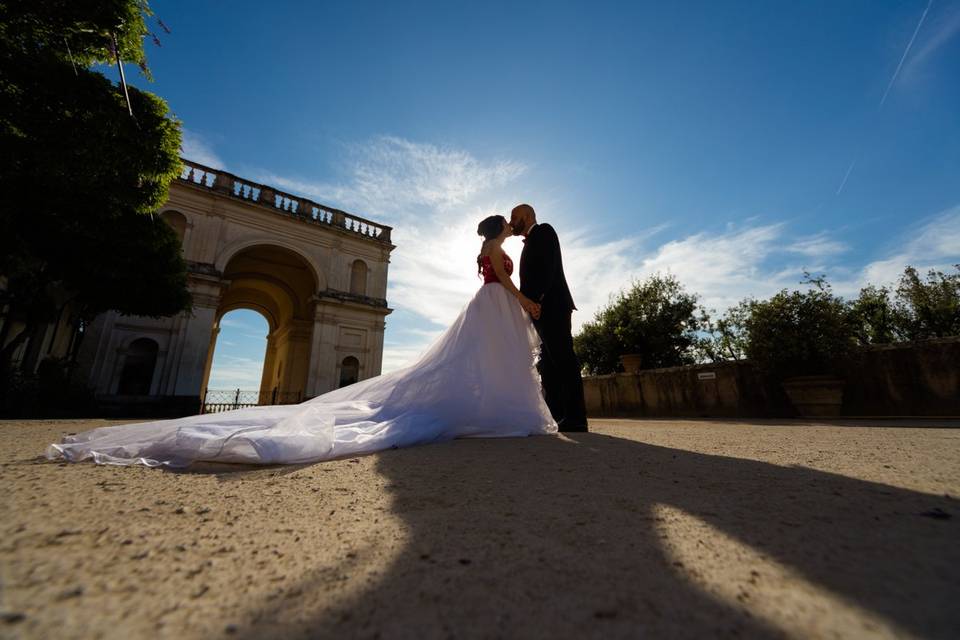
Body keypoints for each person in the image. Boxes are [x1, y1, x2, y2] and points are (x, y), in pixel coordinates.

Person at [45, 216, 557, 467]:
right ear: (498, 232)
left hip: (488, 307)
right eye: (508, 228)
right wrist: (525, 302)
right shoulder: (496, 248)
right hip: (495, 304)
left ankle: (497, 411)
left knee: (484, 363)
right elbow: (504, 280)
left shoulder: (492, 245)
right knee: (488, 362)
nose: (512, 232)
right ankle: (501, 413)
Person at [510, 204, 588, 432]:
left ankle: (576, 418)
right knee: (548, 365)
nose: (511, 221)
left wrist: (538, 300)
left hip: (552, 306)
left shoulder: (544, 231)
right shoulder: (528, 242)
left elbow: (548, 268)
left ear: (527, 216)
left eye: (514, 217)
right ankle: (557, 415)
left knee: (564, 359)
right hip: (539, 309)